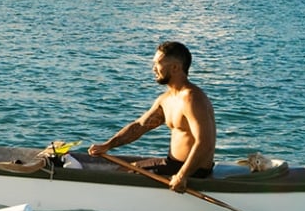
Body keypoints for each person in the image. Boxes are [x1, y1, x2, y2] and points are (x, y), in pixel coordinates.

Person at [89, 41, 217, 192]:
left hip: (192, 171)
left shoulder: (192, 98)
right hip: (172, 164)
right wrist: (108, 145)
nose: (153, 69)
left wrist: (182, 175)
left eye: (158, 64)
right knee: (125, 170)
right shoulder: (166, 99)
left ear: (175, 67)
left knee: (123, 176)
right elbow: (139, 126)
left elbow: (205, 143)